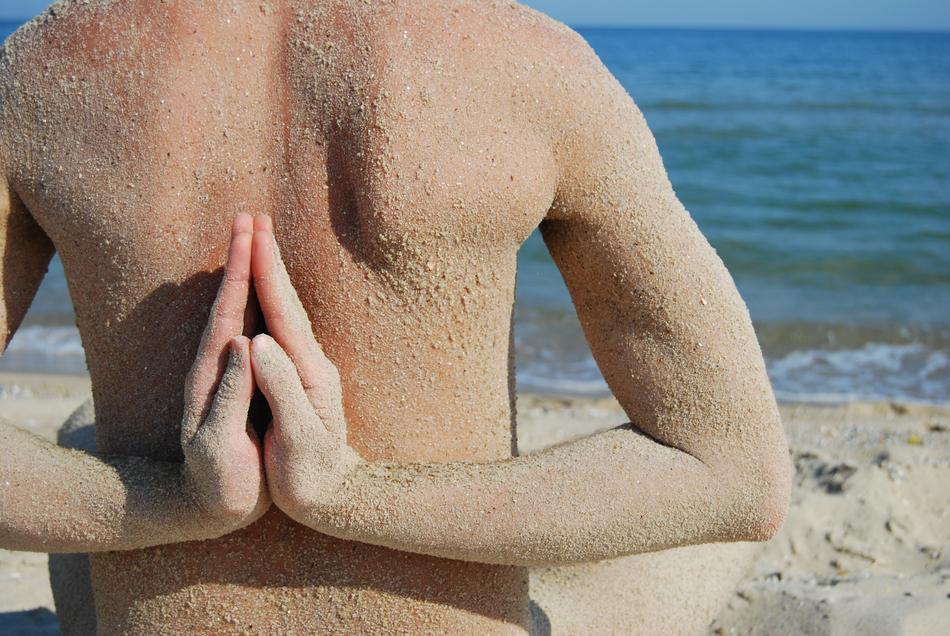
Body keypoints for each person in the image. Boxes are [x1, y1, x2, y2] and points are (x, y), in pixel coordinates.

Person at [0, 1, 791, 633]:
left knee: (81, 437)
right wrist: (346, 495)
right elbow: (735, 473)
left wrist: (179, 503)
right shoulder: (532, 68)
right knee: (702, 557)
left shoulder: (42, 74)